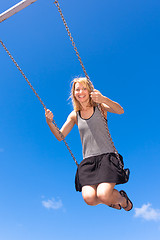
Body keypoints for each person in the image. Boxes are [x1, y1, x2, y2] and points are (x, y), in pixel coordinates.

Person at [45, 77, 133, 211]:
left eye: (84, 88)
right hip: (88, 161)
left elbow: (120, 110)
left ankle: (122, 199)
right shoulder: (74, 115)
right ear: (74, 94)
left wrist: (103, 99)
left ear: (90, 91)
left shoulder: (100, 107)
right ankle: (110, 201)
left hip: (107, 158)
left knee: (103, 194)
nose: (81, 92)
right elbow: (60, 136)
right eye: (77, 89)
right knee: (89, 199)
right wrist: (50, 122)